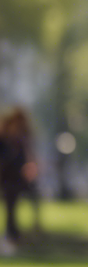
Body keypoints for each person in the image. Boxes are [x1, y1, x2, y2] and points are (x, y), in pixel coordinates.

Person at [0, 107, 39, 254]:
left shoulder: (22, 139)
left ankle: (13, 237)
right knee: (10, 206)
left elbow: (29, 158)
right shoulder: (4, 138)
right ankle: (11, 237)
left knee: (12, 206)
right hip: (6, 177)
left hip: (17, 179)